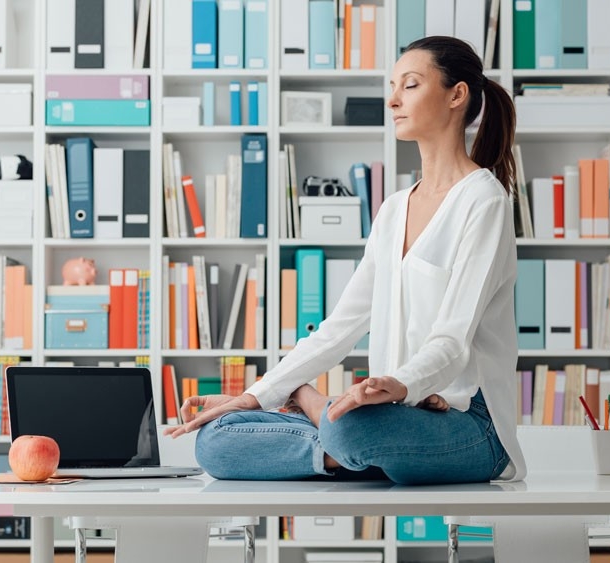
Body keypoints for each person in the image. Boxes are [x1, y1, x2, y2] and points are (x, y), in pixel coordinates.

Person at [165, 35, 526, 485]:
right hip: (398, 415)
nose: (393, 99)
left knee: (346, 426)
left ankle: (324, 417)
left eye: (410, 85)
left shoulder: (483, 201)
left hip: (469, 425)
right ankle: (347, 446)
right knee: (217, 439)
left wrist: (400, 385)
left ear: (457, 94)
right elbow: (340, 327)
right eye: (391, 86)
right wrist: (256, 396)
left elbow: (452, 342)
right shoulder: (394, 208)